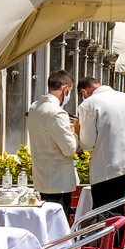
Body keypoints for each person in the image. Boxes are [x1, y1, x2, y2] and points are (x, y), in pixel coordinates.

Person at [76, 76, 125, 249]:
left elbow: (87, 143)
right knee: (123, 216)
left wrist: (77, 130)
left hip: (105, 169)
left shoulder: (89, 104)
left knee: (103, 218)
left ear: (84, 92)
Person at [27, 69, 79, 207]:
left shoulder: (34, 107)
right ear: (65, 89)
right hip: (59, 183)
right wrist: (75, 131)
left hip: (42, 179)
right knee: (59, 226)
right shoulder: (56, 113)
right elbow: (69, 149)